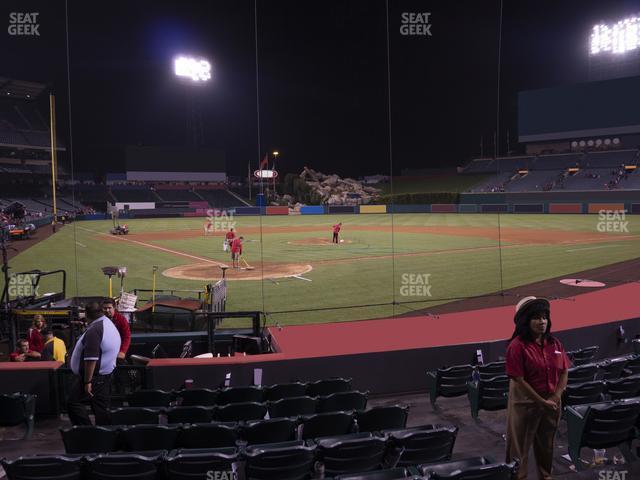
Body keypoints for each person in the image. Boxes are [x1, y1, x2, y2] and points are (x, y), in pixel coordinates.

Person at [505, 296, 570, 480]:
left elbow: (564, 370)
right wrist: (541, 401)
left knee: (546, 445)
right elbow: (518, 379)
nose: (542, 321)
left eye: (544, 317)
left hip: (551, 403)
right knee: (518, 451)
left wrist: (556, 397)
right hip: (525, 404)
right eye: (536, 318)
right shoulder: (516, 346)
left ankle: (545, 476)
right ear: (526, 321)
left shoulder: (555, 343)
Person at [67, 301, 121, 425]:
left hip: (95, 377)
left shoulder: (95, 329)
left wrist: (87, 381)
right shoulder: (107, 323)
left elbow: (91, 359)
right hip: (104, 375)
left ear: (86, 314)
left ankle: (88, 432)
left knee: (73, 402)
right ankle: (104, 436)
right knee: (100, 408)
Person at [102, 298, 131, 362]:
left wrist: (122, 351)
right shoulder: (100, 320)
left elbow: (126, 337)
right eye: (105, 308)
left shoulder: (121, 319)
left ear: (114, 308)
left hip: (117, 353)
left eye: (109, 308)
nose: (107, 310)